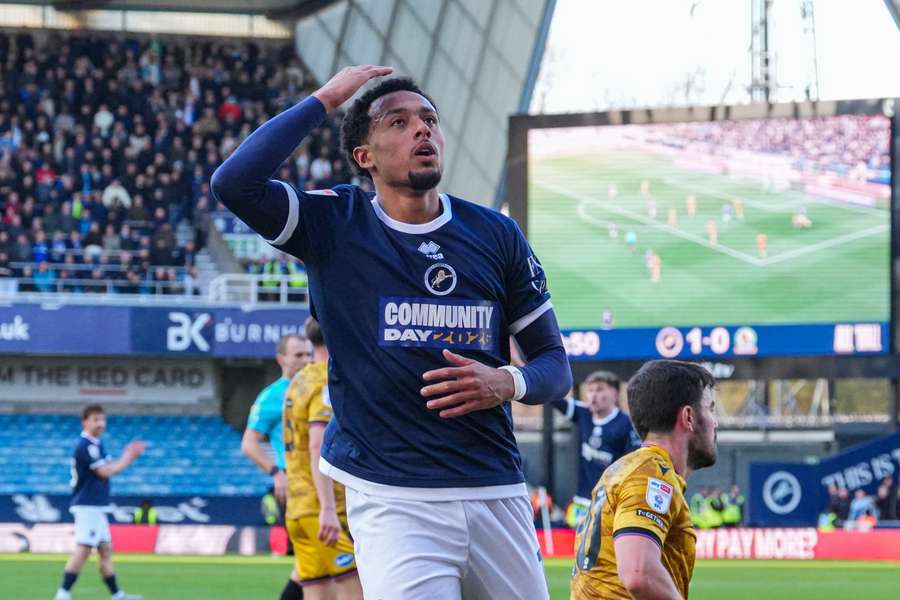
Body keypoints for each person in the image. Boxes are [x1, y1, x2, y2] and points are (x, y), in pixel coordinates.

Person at [212, 65, 571, 599]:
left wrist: (508, 382)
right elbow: (233, 183)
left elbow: (555, 366)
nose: (422, 129)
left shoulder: (497, 234)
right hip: (392, 496)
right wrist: (324, 100)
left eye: (429, 119)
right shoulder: (335, 223)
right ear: (365, 156)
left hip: (495, 485)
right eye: (398, 122)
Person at [571, 360, 718, 599]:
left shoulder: (625, 469)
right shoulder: (650, 475)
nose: (715, 422)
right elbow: (639, 574)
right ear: (688, 417)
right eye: (710, 409)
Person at [283, 317, 362, 599]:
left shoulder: (298, 381)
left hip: (298, 508)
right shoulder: (326, 381)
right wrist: (327, 508)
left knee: (317, 592)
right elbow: (317, 444)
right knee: (357, 591)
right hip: (323, 509)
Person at [241, 334, 313, 600]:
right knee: (312, 564)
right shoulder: (273, 396)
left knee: (317, 566)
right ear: (281, 359)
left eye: (308, 354)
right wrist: (276, 473)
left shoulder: (322, 386)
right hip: (297, 486)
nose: (305, 360)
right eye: (298, 355)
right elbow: (249, 443)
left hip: (327, 484)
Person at [53, 405, 145, 600]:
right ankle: (62, 594)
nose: (101, 424)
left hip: (96, 505)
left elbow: (109, 466)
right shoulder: (86, 445)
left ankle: (117, 595)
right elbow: (104, 472)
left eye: (102, 419)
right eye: (96, 420)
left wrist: (125, 458)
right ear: (85, 422)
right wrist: (128, 457)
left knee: (105, 550)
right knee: (84, 549)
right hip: (88, 504)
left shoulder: (97, 444)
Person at [552, 371, 640, 526]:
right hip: (582, 503)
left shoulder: (626, 424)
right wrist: (528, 371)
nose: (593, 395)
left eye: (599, 389)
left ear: (615, 394)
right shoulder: (584, 414)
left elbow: (635, 466)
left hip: (610, 504)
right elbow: (553, 398)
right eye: (590, 390)